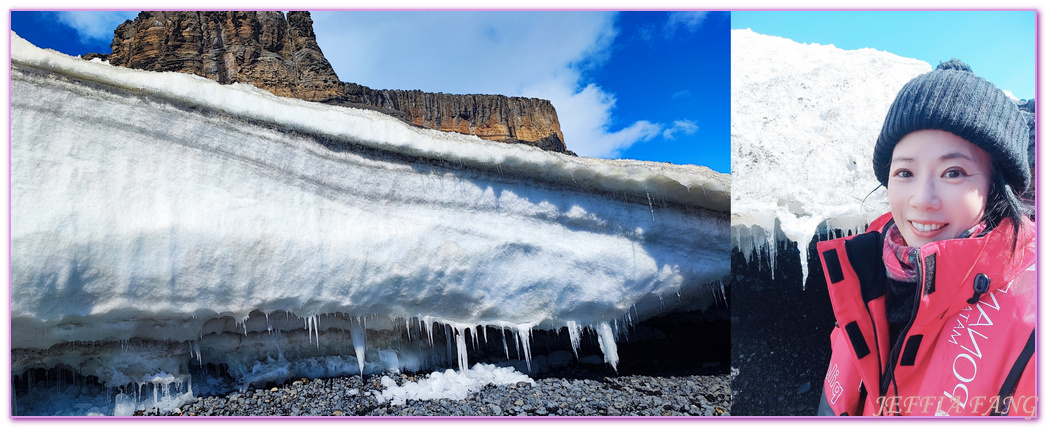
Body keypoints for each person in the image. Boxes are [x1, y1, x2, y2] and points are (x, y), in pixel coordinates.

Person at [815, 59, 1036, 417]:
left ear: (996, 187)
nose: (922, 199)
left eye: (953, 172)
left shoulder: (1032, 323)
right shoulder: (866, 277)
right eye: (905, 172)